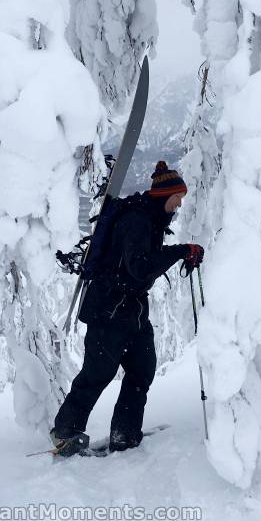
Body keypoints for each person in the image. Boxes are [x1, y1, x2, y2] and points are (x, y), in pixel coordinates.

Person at [51, 161, 204, 455]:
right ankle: (65, 431)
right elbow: (140, 267)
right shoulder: (137, 220)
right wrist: (181, 250)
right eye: (177, 199)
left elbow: (142, 263)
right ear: (166, 196)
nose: (179, 205)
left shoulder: (151, 219)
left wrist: (180, 252)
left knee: (141, 370)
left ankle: (125, 434)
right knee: (98, 373)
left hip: (131, 309)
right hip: (108, 310)